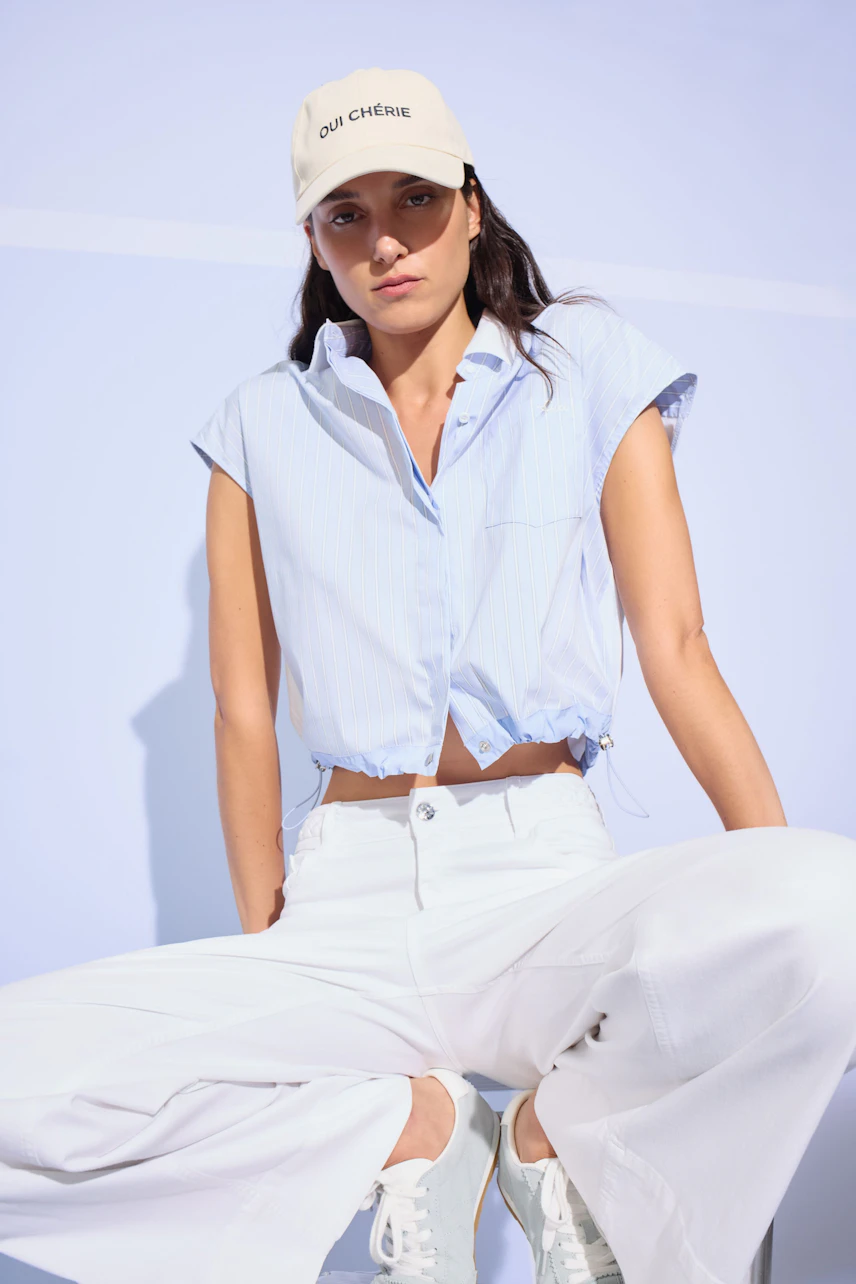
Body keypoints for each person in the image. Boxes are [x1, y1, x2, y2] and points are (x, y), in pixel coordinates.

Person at [1, 64, 856, 1284]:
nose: (385, 242)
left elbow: (676, 649)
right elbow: (242, 708)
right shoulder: (258, 424)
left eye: (411, 198)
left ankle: (571, 1137)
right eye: (345, 214)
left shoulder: (590, 372)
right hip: (343, 901)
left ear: (468, 201)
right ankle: (401, 1125)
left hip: (541, 883)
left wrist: (766, 917)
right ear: (312, 237)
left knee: (838, 908)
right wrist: (271, 958)